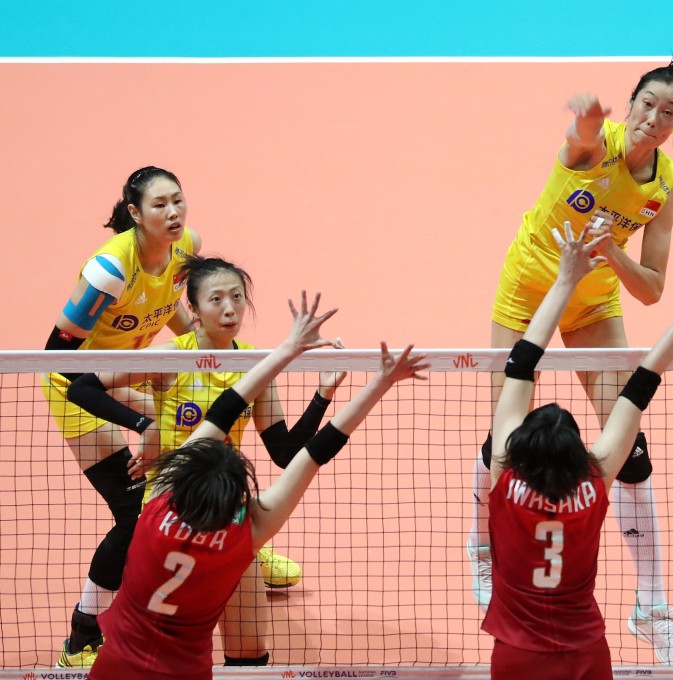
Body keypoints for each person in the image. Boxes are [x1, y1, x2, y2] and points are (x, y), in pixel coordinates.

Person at [470, 30, 673, 664]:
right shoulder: (595, 148)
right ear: (630, 104)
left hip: (596, 297)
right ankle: (484, 553)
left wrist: (611, 255)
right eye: (646, 106)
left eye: (669, 114)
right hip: (530, 287)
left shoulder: (666, 184)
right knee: (508, 435)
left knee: (628, 445)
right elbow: (578, 142)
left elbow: (655, 289)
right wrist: (586, 121)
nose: (653, 121)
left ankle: (651, 607)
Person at [85, 291, 429, 680]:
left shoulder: (157, 505)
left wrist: (286, 349)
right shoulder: (243, 536)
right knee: (248, 645)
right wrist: (380, 383)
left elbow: (224, 410)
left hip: (115, 669)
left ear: (182, 474)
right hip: (184, 673)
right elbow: (313, 455)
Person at [482, 219, 673, 679]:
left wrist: (565, 277)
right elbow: (646, 377)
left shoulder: (504, 478)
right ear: (579, 453)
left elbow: (522, 361)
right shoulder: (594, 482)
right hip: (585, 654)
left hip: (515, 654)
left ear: (519, 449)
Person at [66, 255, 347, 666]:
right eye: (216, 299)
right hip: (169, 512)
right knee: (158, 650)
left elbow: (285, 452)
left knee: (250, 648)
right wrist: (146, 424)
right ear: (193, 310)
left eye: (236, 297)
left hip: (226, 513)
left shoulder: (255, 364)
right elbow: (83, 388)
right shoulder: (170, 358)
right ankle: (82, 635)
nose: (230, 308)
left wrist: (323, 394)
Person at [41, 166, 201, 667]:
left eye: (177, 201)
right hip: (79, 389)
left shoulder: (186, 246)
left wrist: (202, 349)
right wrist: (143, 427)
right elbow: (59, 360)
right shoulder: (110, 271)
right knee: (132, 515)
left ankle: (241, 557)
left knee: (207, 446)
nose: (173, 213)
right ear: (135, 213)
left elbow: (169, 303)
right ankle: (82, 637)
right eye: (159, 205)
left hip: (132, 375)